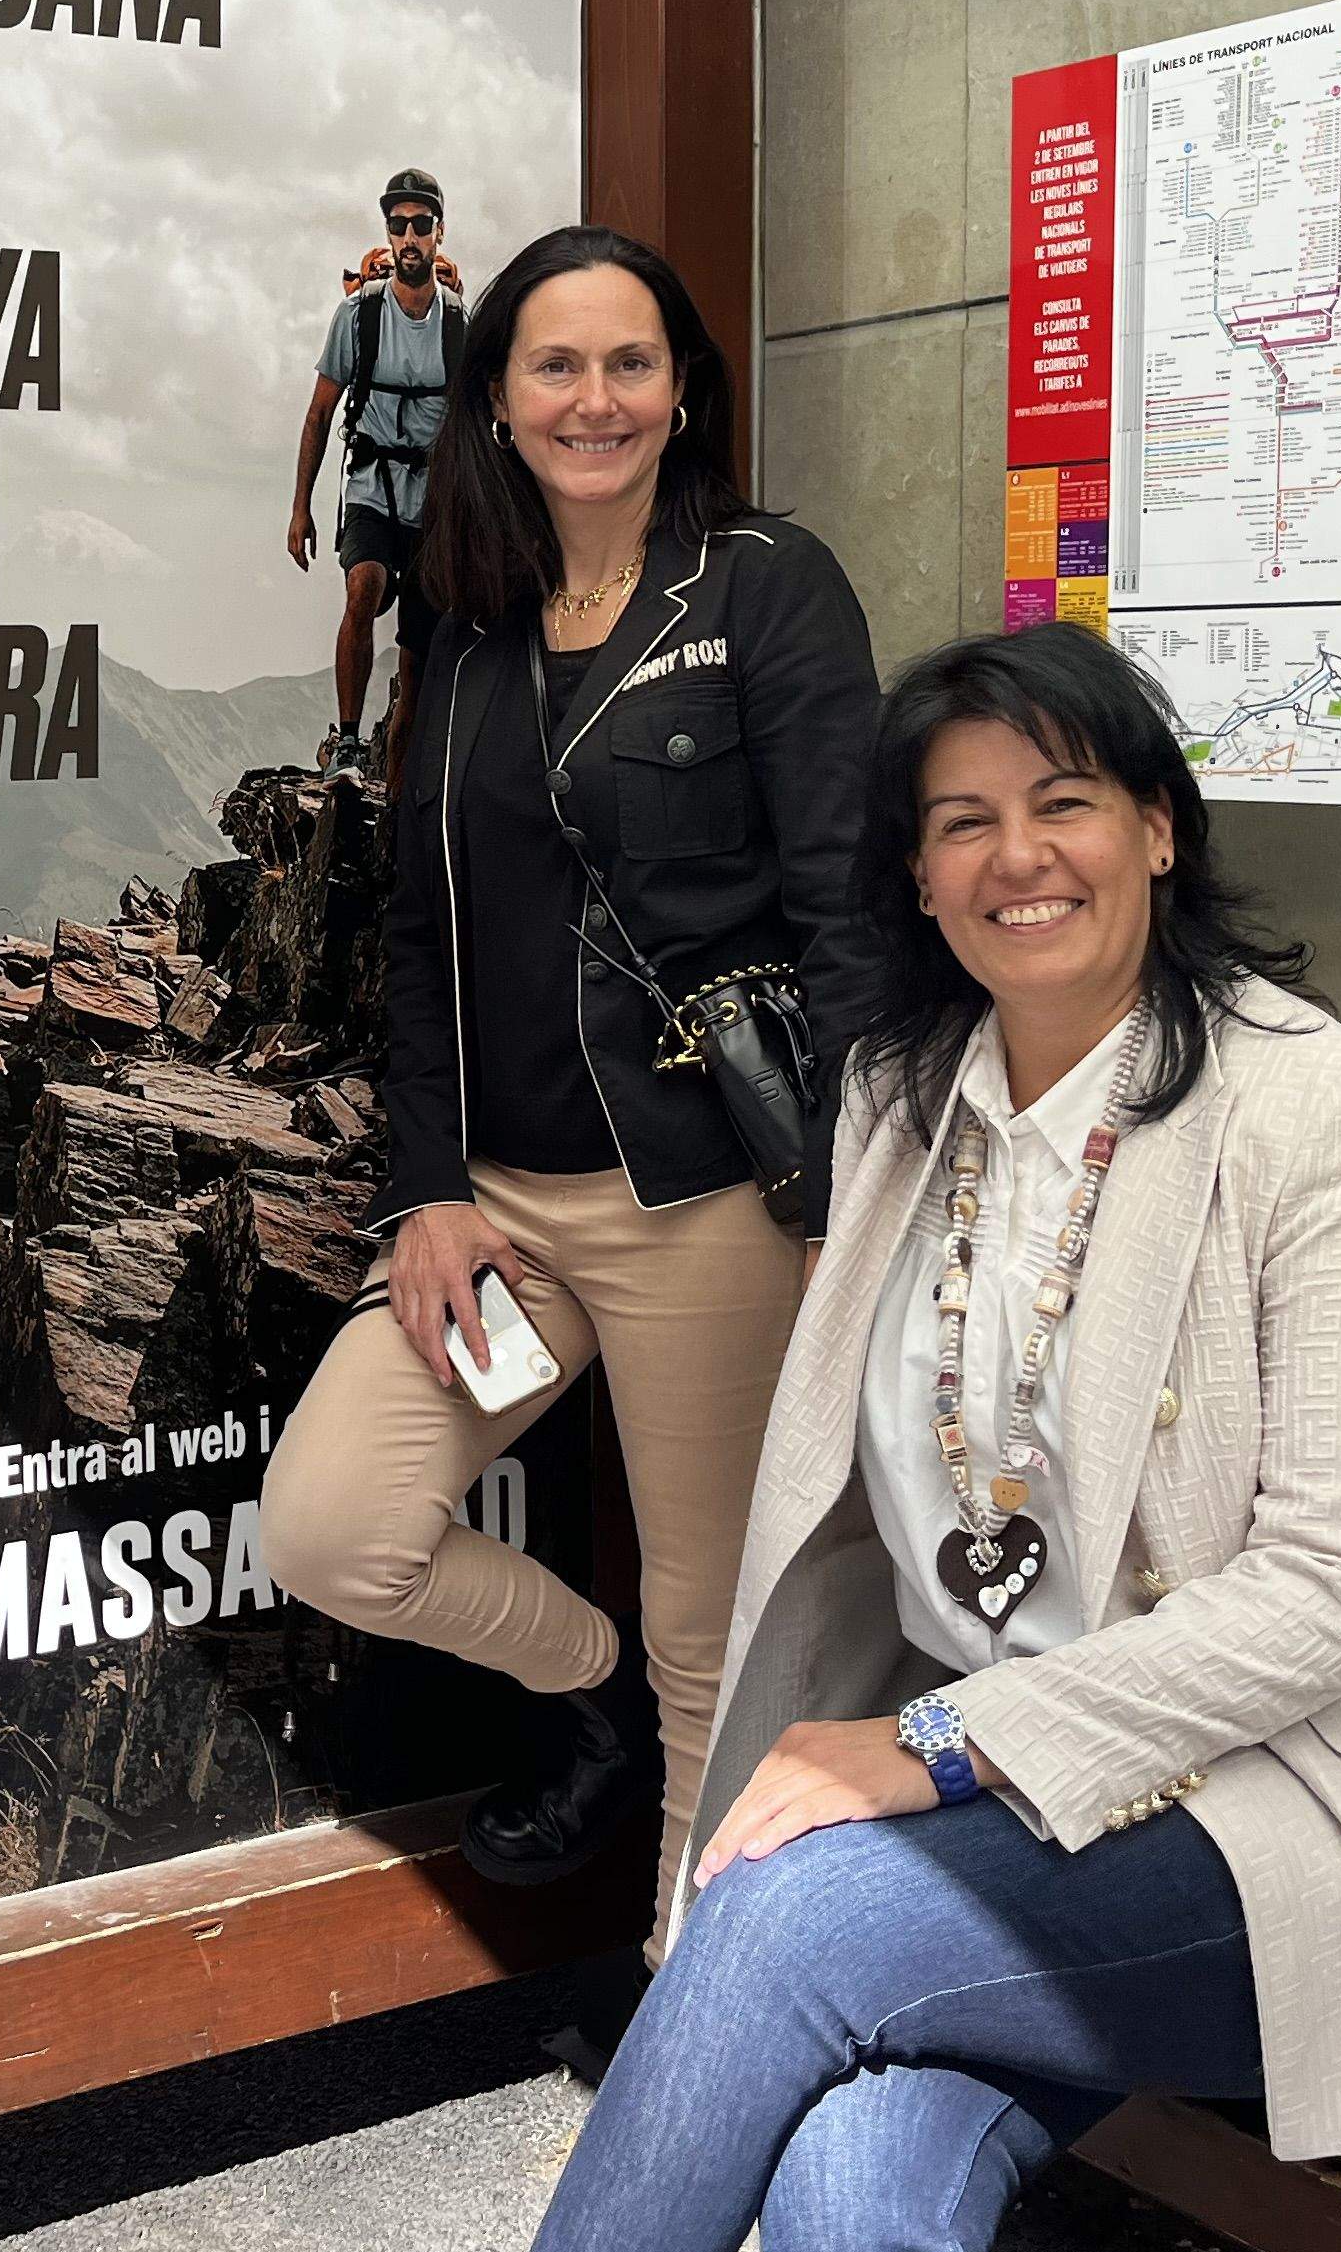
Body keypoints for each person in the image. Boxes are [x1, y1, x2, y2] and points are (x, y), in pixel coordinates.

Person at [426, 621, 1341, 2252]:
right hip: (1038, 1813)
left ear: (1156, 829)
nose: (1014, 854)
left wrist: (928, 1745)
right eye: (958, 819)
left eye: (1064, 800)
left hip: (1299, 1820)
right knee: (843, 2166)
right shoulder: (907, 1103)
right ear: (911, 871)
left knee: (793, 1908)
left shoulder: (1330, 1114)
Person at [262, 223, 880, 1928]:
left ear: (683, 390)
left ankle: (698, 2003)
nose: (593, 396)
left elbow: (846, 904)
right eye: (555, 363)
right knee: (333, 1523)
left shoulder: (766, 583)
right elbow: (417, 937)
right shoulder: (457, 633)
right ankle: (583, 1692)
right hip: (508, 1221)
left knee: (715, 1630)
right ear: (496, 398)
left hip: (705, 1209)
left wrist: (838, 1198)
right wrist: (425, 1186)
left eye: (630, 361)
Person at [286, 166, 465, 777]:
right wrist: (299, 507)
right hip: (369, 485)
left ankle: (399, 779)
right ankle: (347, 740)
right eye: (398, 226)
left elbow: (487, 427)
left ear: (439, 233)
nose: (409, 237)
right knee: (363, 586)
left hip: (433, 503)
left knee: (415, 652)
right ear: (388, 236)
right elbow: (318, 415)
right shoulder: (359, 316)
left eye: (420, 225)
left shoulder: (459, 327)